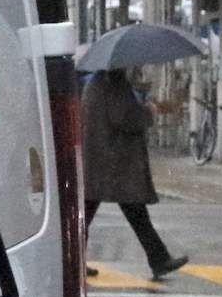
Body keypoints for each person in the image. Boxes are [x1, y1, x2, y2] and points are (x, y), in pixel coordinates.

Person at [80, 68, 186, 280]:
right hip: (112, 161)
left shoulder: (98, 82)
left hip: (101, 159)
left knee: (131, 212)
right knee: (88, 214)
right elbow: (126, 118)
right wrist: (149, 110)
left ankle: (159, 258)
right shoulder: (115, 82)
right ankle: (159, 259)